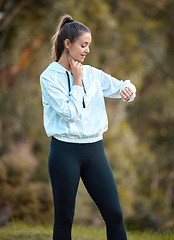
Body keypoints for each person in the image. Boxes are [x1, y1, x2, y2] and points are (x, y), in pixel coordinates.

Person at [40, 14, 136, 240]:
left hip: (95, 151)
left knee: (114, 215)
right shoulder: (49, 78)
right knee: (64, 218)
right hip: (64, 152)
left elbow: (122, 85)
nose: (87, 50)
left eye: (88, 46)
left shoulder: (92, 73)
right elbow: (70, 114)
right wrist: (77, 80)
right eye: (83, 45)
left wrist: (128, 90)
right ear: (67, 44)